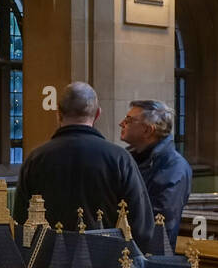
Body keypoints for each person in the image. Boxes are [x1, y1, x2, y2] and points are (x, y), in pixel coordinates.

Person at [11, 81, 155, 249]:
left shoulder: (35, 160)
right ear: (97, 114)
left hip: (49, 260)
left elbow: (20, 223)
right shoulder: (119, 159)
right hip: (107, 261)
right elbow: (141, 227)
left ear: (58, 113)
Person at [119, 99, 192, 249]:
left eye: (129, 120)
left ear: (148, 130)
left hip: (147, 255)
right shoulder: (129, 159)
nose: (121, 123)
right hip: (125, 248)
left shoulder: (173, 167)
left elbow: (160, 224)